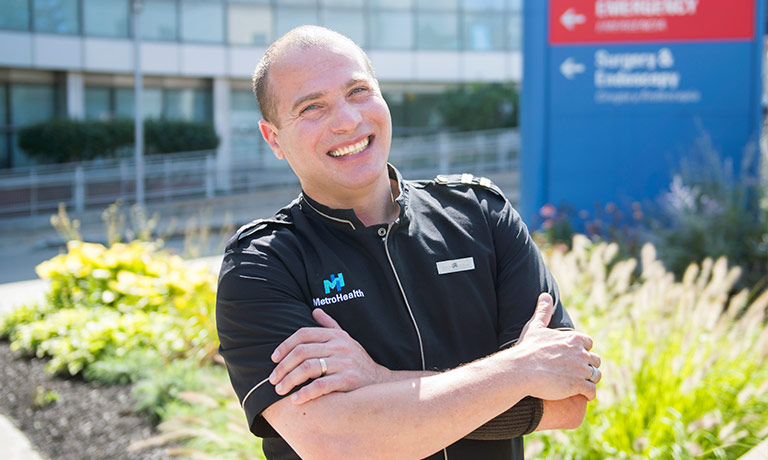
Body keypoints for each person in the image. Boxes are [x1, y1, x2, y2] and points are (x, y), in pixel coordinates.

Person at [216, 25, 602, 460]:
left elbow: (567, 400)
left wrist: (377, 382)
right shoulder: (263, 265)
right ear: (274, 139)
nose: (347, 120)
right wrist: (520, 370)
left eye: (358, 91)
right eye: (312, 108)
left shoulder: (481, 216)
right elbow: (336, 441)